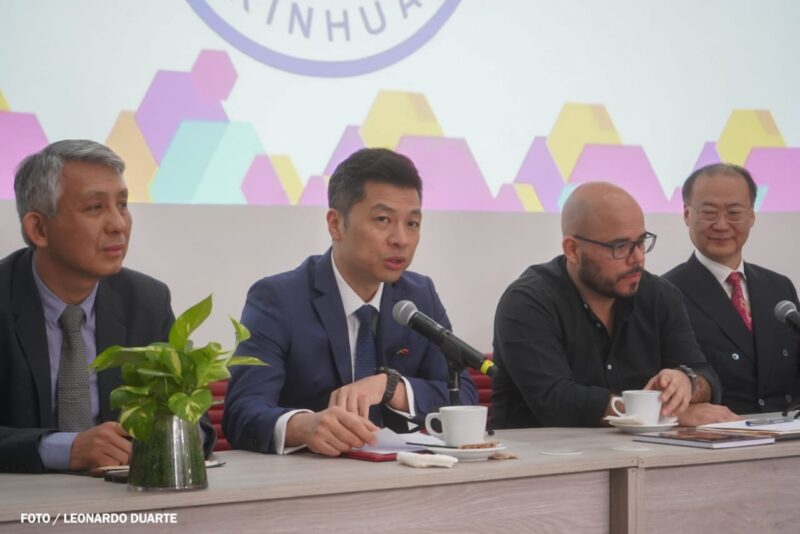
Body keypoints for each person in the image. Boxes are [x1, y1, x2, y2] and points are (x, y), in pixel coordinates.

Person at [223, 148, 478, 456]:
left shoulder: (419, 296)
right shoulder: (278, 299)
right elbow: (242, 411)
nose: (401, 239)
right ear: (335, 224)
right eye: (383, 219)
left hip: (402, 475)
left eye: (412, 223)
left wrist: (391, 387)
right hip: (311, 477)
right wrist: (302, 426)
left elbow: (463, 397)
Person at [0, 140, 212, 474]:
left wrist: (170, 434)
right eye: (95, 208)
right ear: (38, 229)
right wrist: (63, 449)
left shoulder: (146, 300)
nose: (118, 224)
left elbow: (195, 420)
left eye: (123, 205)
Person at [492, 182, 732, 429]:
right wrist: (659, 413)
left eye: (641, 242)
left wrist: (686, 382)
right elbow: (555, 401)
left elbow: (705, 375)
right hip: (542, 451)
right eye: (620, 246)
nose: (638, 257)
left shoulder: (660, 296)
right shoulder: (527, 302)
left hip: (644, 449)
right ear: (573, 250)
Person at [664, 163, 800, 414]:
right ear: (687, 214)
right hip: (717, 432)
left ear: (752, 216)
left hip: (787, 431)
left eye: (734, 213)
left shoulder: (779, 288)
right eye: (709, 212)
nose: (721, 225)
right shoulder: (665, 293)